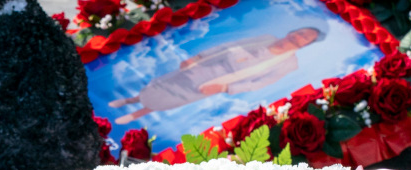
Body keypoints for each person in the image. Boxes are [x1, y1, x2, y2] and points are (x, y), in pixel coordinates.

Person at [109, 27, 324, 125]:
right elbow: (228, 46)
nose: (300, 36)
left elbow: (259, 83)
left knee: (175, 97)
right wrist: (197, 57)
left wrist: (224, 88)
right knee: (166, 83)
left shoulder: (289, 63)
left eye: (306, 37)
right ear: (291, 31)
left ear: (306, 44)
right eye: (300, 31)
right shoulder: (266, 37)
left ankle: (136, 114)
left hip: (216, 82)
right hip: (206, 65)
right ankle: (130, 100)